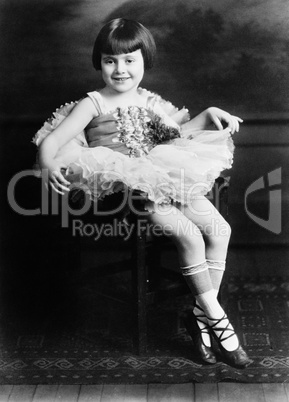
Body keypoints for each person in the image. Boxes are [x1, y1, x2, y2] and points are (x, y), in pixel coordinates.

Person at [34, 18, 252, 368]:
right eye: (110, 61)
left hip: (164, 172)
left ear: (144, 61)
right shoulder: (93, 103)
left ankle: (198, 319)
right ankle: (217, 318)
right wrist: (46, 163)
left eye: (129, 60)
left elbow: (173, 135)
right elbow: (53, 141)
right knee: (191, 237)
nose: (120, 70)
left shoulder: (150, 102)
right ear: (99, 63)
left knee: (220, 230)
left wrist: (208, 114)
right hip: (129, 187)